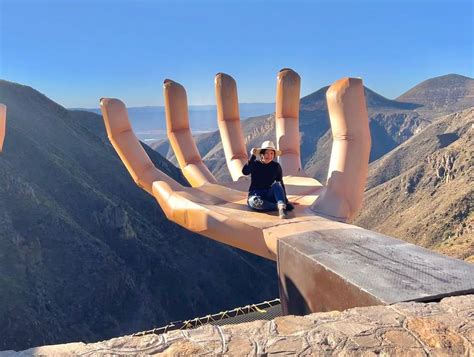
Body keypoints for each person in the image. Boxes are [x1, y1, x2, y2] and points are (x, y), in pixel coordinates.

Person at [242, 141, 294, 219]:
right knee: (255, 202)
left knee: (277, 184)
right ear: (262, 154)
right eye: (266, 153)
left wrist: (285, 200)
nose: (269, 156)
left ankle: (281, 205)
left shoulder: (276, 166)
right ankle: (278, 206)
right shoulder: (255, 164)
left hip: (269, 193)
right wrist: (252, 156)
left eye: (271, 153)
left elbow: (280, 184)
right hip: (256, 193)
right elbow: (245, 171)